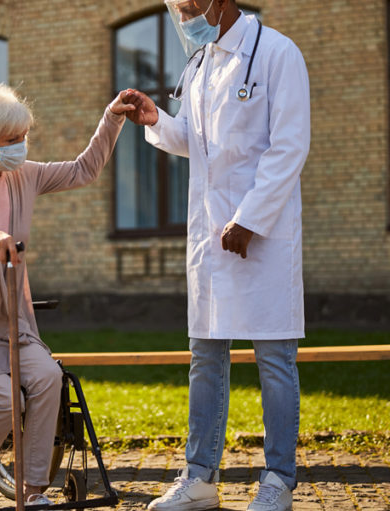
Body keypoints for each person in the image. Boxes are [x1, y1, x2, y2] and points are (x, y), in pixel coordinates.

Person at [123, 1, 310, 510]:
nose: (183, 18)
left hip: (262, 237)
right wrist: (155, 118)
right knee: (205, 358)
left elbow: (289, 146)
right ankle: (200, 477)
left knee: (274, 358)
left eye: (188, 8)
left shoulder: (276, 53)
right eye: (177, 8)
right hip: (211, 236)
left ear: (220, 2)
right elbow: (197, 142)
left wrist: (250, 220)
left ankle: (278, 481)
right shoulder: (201, 63)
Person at [0, 84, 134, 506]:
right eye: (9, 140)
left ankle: (33, 492)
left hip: (6, 321)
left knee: (48, 379)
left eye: (23, 136)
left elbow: (84, 169)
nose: (20, 146)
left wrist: (113, 117)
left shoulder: (24, 174)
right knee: (3, 398)